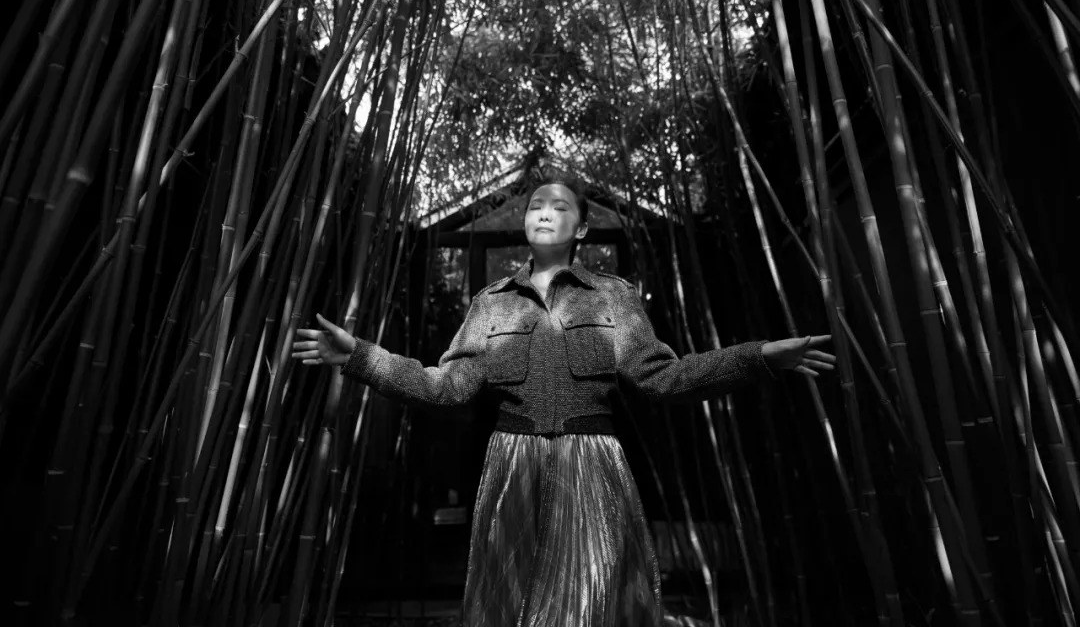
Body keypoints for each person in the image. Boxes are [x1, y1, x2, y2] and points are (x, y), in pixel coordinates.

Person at [292, 180, 835, 626]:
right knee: (509, 611)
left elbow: (664, 378)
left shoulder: (613, 296)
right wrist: (359, 356)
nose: (545, 213)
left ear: (582, 228)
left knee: (592, 605)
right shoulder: (491, 303)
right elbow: (445, 387)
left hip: (593, 467)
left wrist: (758, 357)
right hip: (511, 471)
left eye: (559, 207)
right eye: (536, 206)